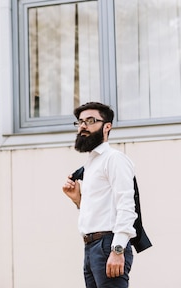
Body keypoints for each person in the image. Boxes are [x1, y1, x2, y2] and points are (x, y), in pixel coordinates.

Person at [62, 102, 137, 288]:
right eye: (80, 122)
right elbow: (101, 207)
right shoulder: (91, 164)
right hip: (91, 247)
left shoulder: (114, 159)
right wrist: (77, 199)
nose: (83, 126)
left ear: (107, 126)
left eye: (90, 120)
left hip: (108, 245)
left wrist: (118, 249)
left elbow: (126, 204)